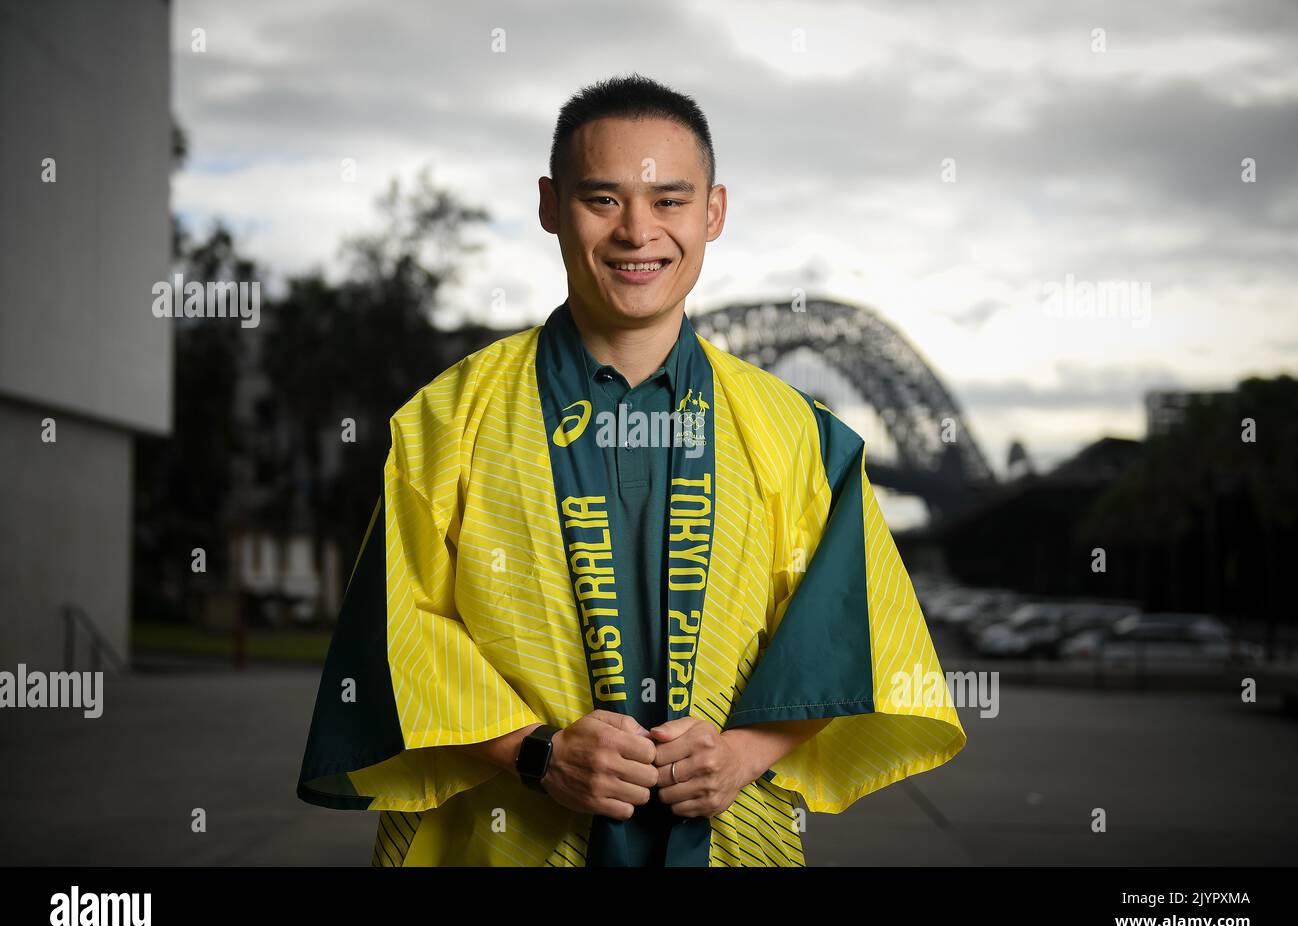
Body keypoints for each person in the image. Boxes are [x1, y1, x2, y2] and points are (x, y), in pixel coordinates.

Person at [297, 73, 967, 867]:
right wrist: (535, 754)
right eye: (603, 200)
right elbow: (395, 632)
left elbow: (849, 637)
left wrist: (744, 755)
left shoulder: (800, 435)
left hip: (729, 842)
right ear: (551, 205)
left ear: (714, 212)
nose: (637, 232)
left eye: (671, 201)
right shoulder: (449, 419)